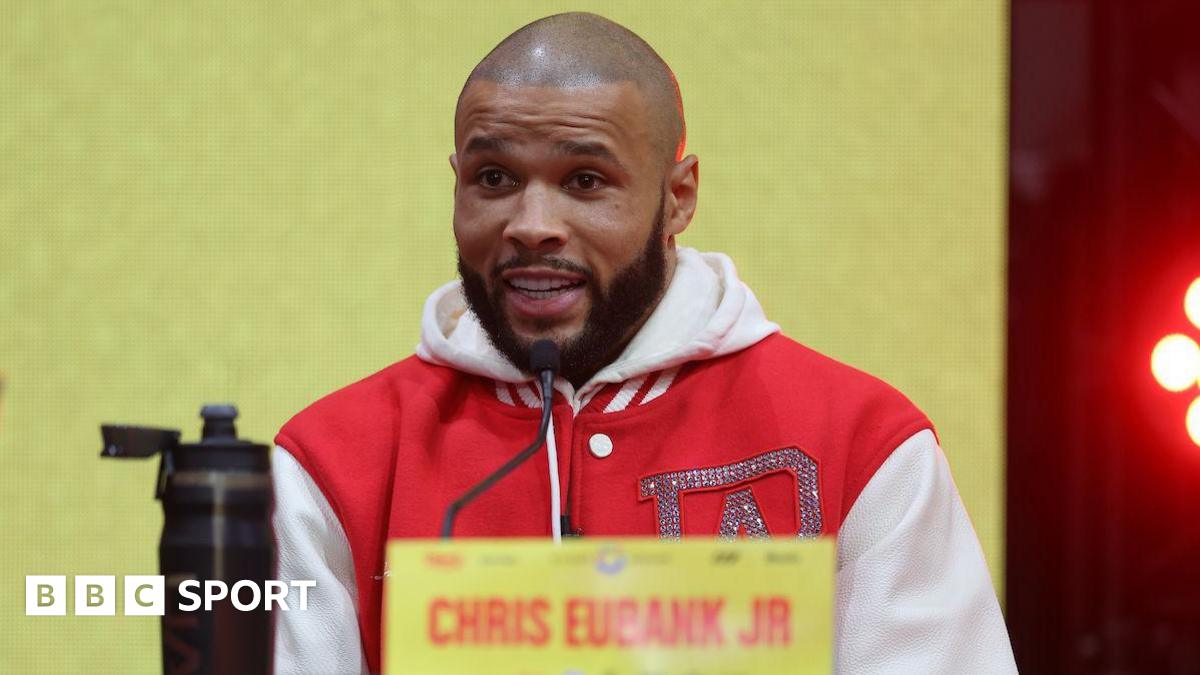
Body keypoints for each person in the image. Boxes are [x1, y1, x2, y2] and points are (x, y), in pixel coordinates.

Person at [272, 12, 1017, 674]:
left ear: (678, 197)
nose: (531, 223)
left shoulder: (862, 442)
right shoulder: (330, 463)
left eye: (586, 180)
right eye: (494, 177)